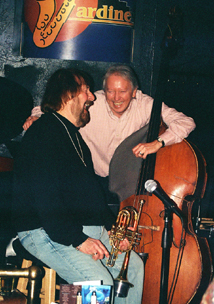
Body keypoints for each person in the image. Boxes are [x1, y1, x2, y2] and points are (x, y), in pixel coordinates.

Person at [12, 68, 144, 304]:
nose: (93, 98)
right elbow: (45, 198)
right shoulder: (43, 133)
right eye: (86, 91)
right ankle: (68, 298)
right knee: (96, 281)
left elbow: (90, 193)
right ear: (69, 93)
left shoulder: (74, 137)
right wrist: (78, 239)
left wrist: (113, 228)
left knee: (133, 267)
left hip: (78, 228)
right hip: (44, 231)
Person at [23, 64, 195, 179]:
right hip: (90, 180)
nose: (116, 98)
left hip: (128, 185)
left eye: (123, 91)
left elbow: (186, 122)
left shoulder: (146, 104)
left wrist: (157, 143)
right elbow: (54, 106)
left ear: (134, 91)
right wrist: (37, 117)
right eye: (110, 91)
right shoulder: (91, 101)